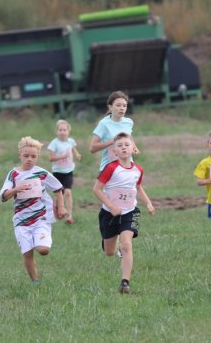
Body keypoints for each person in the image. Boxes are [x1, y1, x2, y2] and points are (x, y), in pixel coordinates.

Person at [93, 132, 155, 294]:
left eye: (127, 145)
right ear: (115, 151)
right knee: (109, 252)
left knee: (127, 244)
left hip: (129, 211)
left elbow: (138, 187)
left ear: (133, 148)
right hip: (109, 213)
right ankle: (112, 241)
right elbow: (97, 189)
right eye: (119, 146)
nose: (124, 148)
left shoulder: (138, 170)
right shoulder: (111, 168)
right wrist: (111, 206)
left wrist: (148, 203)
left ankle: (125, 282)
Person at [0, 136, 67, 285]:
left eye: (33, 156)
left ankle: (40, 241)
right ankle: (36, 282)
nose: (29, 159)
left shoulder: (41, 173)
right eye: (26, 156)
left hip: (41, 219)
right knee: (27, 254)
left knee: (43, 250)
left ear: (37, 157)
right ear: (20, 156)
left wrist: (61, 206)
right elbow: (3, 196)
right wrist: (15, 189)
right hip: (21, 221)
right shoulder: (14, 174)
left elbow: (57, 188)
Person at [89, 90, 140, 172]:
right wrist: (112, 141)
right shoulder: (103, 124)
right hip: (109, 169)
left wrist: (135, 148)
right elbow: (92, 148)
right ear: (110, 107)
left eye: (124, 106)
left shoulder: (128, 122)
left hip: (127, 167)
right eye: (118, 105)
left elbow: (128, 136)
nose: (122, 108)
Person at [48, 119, 82, 224]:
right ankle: (57, 209)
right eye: (60, 130)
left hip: (68, 171)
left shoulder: (70, 141)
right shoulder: (54, 143)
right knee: (59, 195)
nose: (62, 132)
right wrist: (61, 156)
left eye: (64, 130)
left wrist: (77, 154)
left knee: (68, 192)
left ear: (68, 131)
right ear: (56, 131)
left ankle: (69, 215)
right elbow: (51, 158)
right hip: (57, 172)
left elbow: (73, 149)